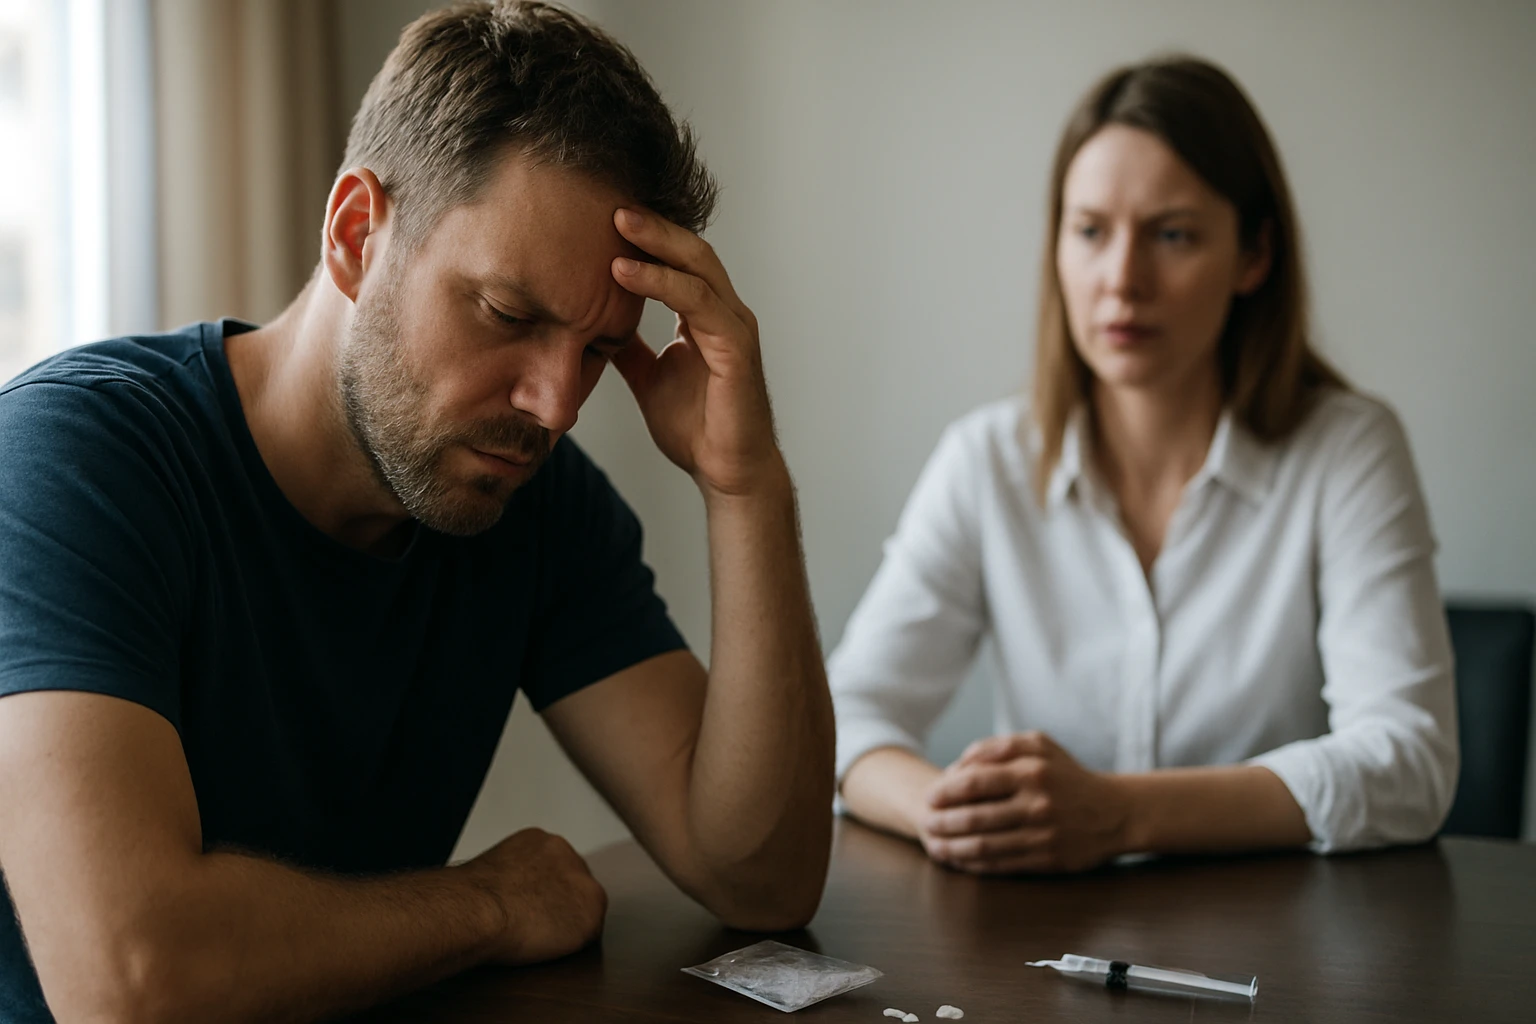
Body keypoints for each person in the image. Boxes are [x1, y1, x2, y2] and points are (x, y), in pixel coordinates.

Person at [0, 3, 834, 1021]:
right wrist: (488, 902)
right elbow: (129, 977)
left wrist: (744, 483)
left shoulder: (532, 501)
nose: (555, 406)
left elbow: (761, 877)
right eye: (508, 315)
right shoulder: (74, 461)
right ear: (357, 234)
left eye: (598, 349)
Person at [830, 55, 1458, 875]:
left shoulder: (1348, 451)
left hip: (1279, 955)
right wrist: (950, 816)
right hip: (1043, 956)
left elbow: (1410, 761)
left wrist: (1122, 815)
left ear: (1253, 256)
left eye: (1173, 235)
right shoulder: (985, 460)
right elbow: (840, 715)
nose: (1121, 280)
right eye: (1090, 231)